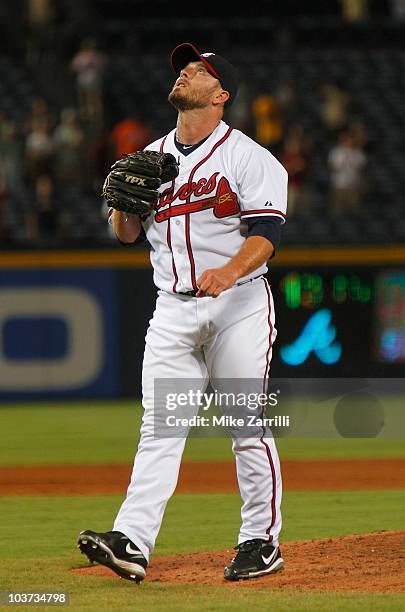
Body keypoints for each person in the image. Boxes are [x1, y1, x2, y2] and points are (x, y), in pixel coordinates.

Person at [78, 43, 287, 583]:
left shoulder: (249, 158)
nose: (186, 72)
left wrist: (230, 271)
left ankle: (260, 541)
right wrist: (123, 208)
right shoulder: (149, 158)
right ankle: (132, 542)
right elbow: (125, 235)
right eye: (184, 68)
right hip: (172, 309)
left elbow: (265, 236)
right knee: (160, 429)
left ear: (220, 95)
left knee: (244, 423)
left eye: (199, 70)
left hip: (239, 304)